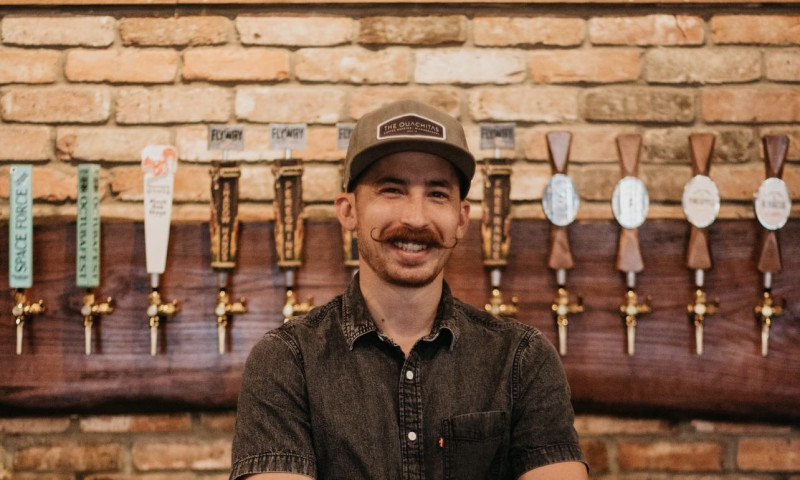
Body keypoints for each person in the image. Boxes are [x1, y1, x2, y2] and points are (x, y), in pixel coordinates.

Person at [230, 99, 588, 480]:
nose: (415, 218)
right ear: (348, 210)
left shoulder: (522, 359)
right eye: (391, 190)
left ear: (461, 218)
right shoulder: (287, 361)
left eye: (437, 194)